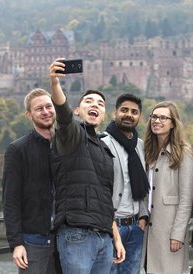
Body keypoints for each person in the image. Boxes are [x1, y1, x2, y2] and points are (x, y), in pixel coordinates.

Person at [48, 58, 125, 274]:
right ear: (77, 111)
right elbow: (62, 114)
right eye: (89, 101)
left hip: (103, 237)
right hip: (76, 234)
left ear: (103, 115)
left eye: (100, 104)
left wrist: (116, 239)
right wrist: (55, 83)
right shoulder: (72, 135)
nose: (95, 105)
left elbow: (106, 201)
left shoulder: (104, 149)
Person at [2, 88, 61, 274]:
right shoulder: (17, 149)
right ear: (29, 114)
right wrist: (16, 243)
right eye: (39, 108)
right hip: (34, 240)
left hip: (65, 239)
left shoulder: (66, 144)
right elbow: (10, 200)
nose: (45, 111)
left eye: (49, 106)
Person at [143, 101, 193, 274]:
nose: (157, 121)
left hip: (169, 229)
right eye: (154, 117)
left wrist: (178, 234)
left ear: (173, 123)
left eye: (163, 118)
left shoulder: (183, 152)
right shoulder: (148, 150)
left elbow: (186, 199)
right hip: (148, 228)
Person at [101, 94, 149, 274]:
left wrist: (143, 217)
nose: (129, 115)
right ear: (115, 113)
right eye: (124, 110)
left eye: (134, 112)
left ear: (139, 117)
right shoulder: (102, 142)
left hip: (136, 227)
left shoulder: (140, 146)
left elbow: (142, 186)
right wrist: (111, 224)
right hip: (112, 226)